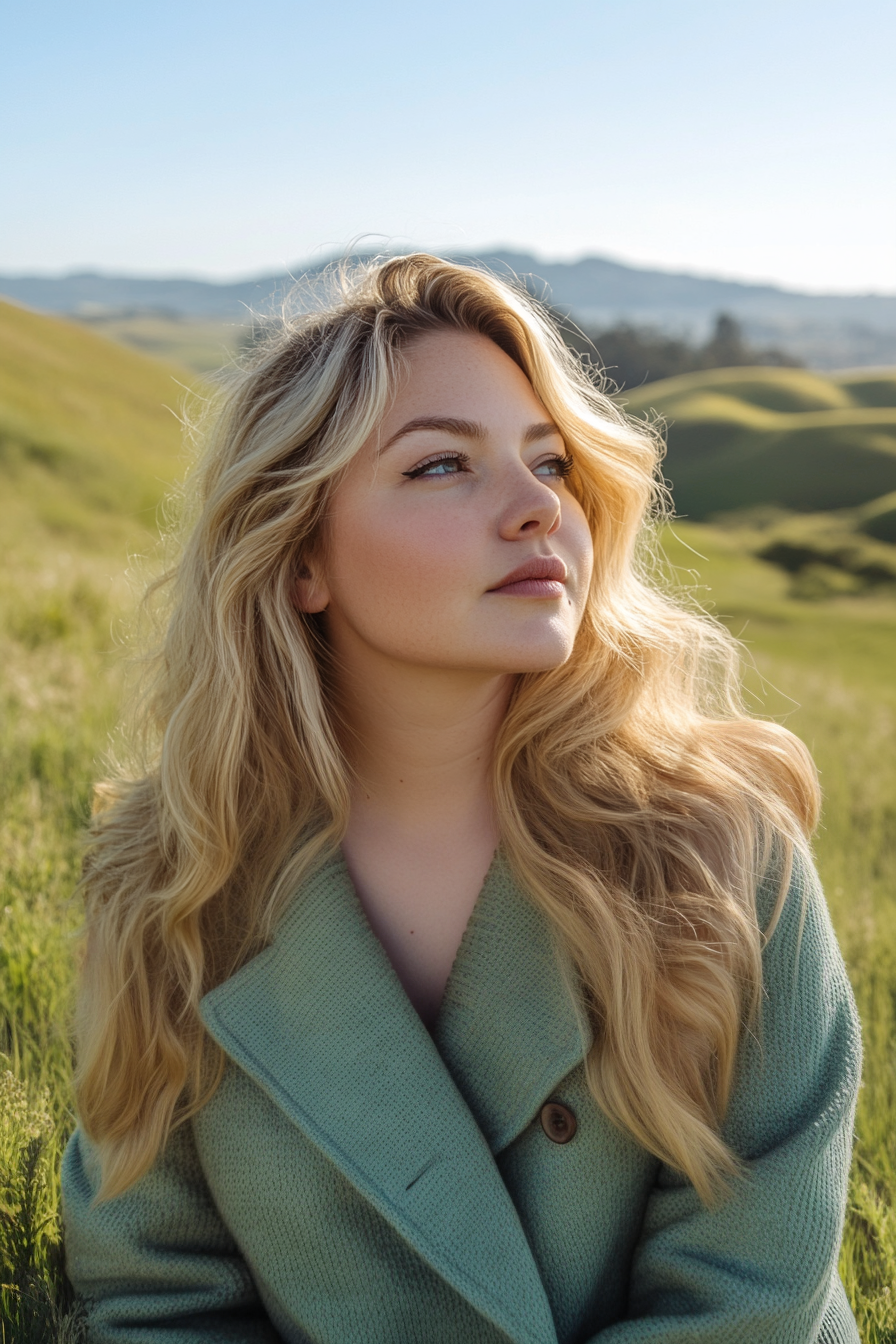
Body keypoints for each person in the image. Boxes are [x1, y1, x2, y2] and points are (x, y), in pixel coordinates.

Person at [61, 254, 861, 1343]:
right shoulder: (172, 879)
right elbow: (156, 1296)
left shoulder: (721, 846)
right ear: (302, 558)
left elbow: (748, 1302)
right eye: (443, 466)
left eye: (549, 461)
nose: (538, 508)